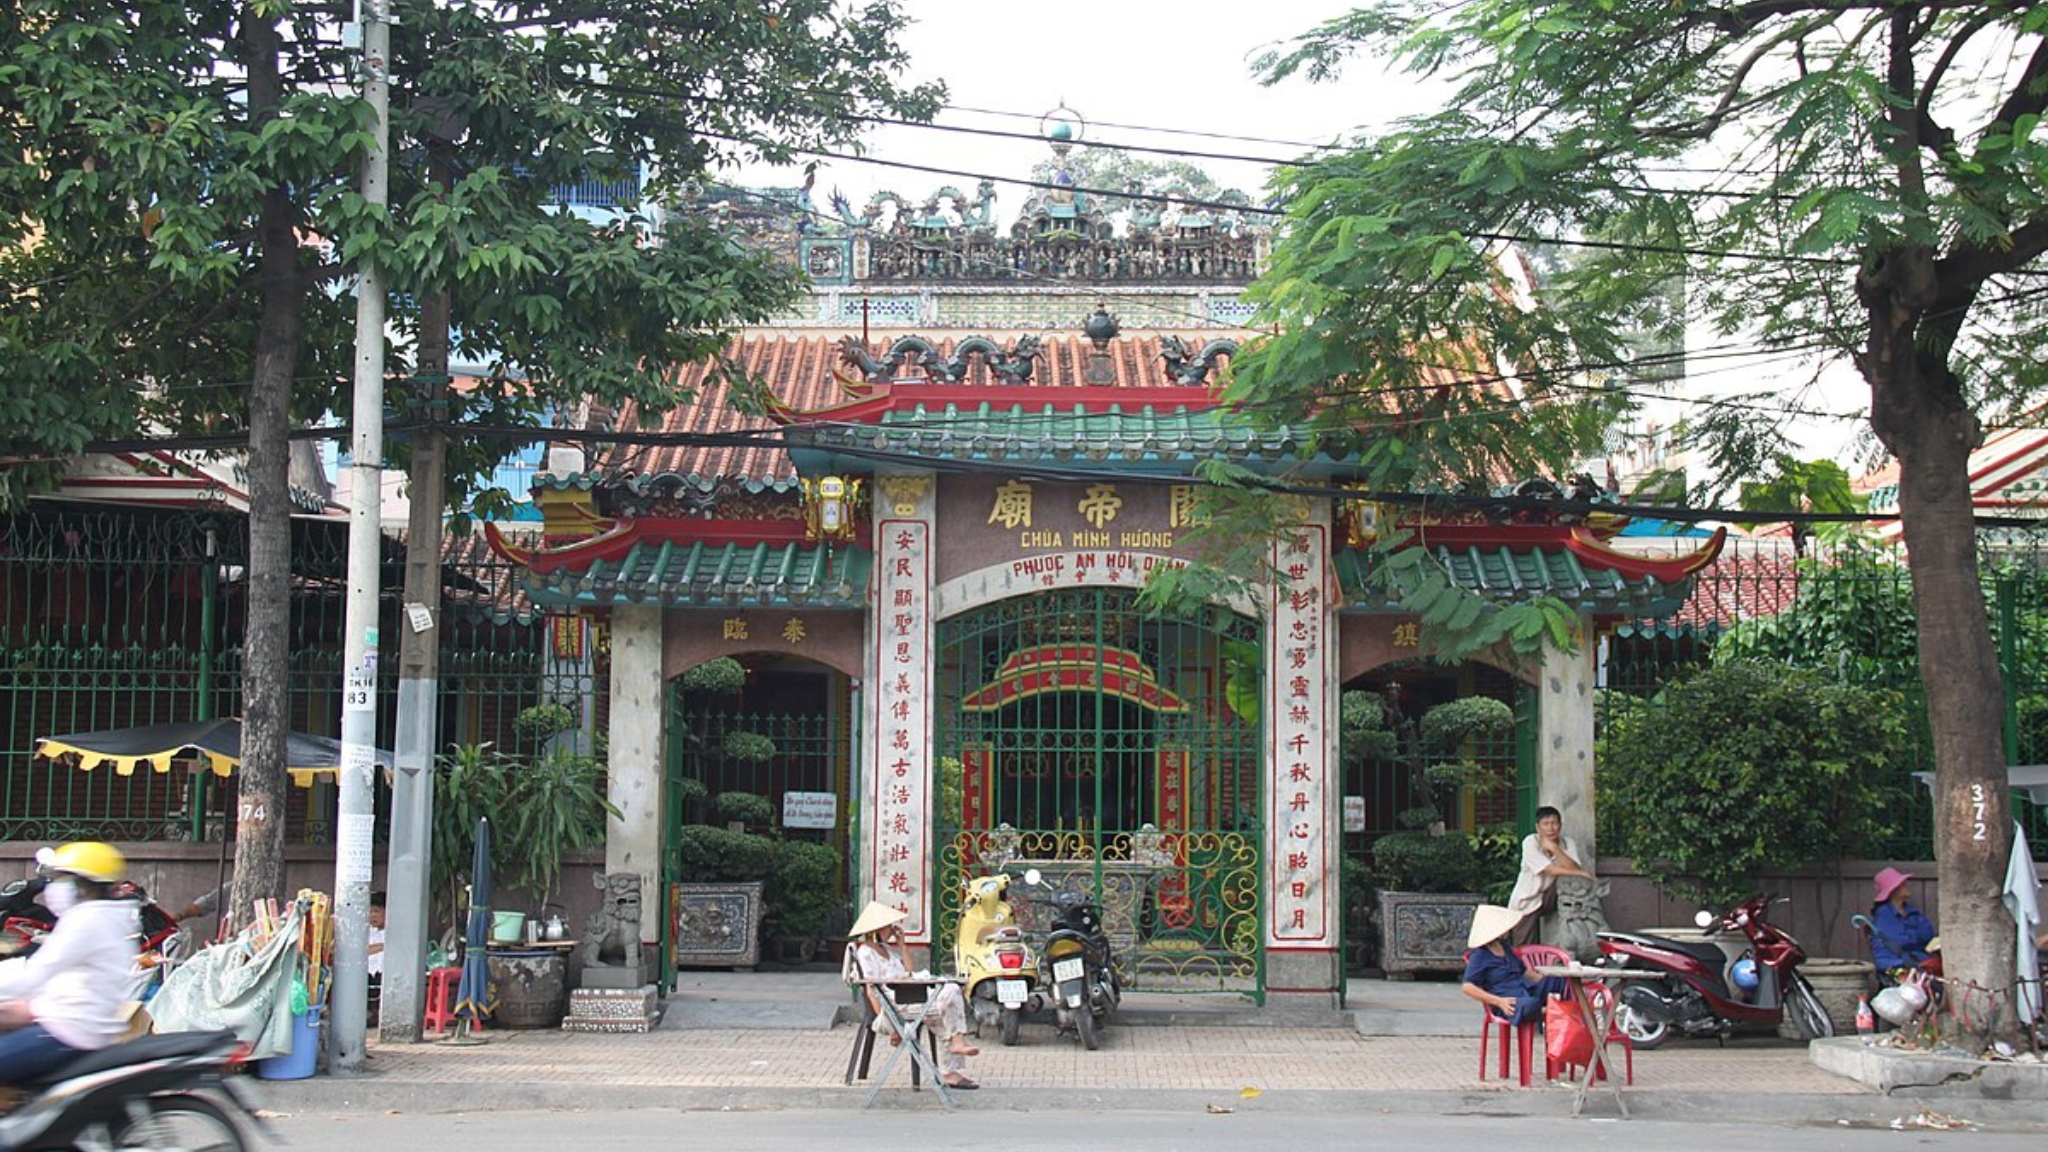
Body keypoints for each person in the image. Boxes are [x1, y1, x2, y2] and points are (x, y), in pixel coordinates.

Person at [0, 842, 140, 1082]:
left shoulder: (85, 920)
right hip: (79, 1022)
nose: (54, 887)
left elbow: (34, 976)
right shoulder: (111, 918)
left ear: (84, 885)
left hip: (65, 1033)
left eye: (62, 879)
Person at [848, 901, 979, 1090]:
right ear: (875, 929)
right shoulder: (866, 952)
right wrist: (889, 1023)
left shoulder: (888, 952)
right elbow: (871, 988)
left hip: (911, 999)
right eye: (888, 927)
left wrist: (902, 946)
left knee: (949, 998)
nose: (892, 930)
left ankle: (949, 1070)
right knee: (950, 992)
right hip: (894, 1005)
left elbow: (909, 972)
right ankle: (954, 1051)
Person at [1460, 903, 1569, 1025]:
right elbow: (1467, 987)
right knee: (1530, 1004)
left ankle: (1560, 1013)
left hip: (1525, 990)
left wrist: (1547, 982)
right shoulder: (1480, 955)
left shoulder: (1504, 947)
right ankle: (1552, 1011)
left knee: (1562, 983)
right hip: (1507, 1002)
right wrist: (1499, 1002)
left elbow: (1526, 972)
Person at [1505, 806, 1595, 941]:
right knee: (1524, 946)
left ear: (1560, 825)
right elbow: (1549, 869)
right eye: (1546, 824)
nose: (1551, 828)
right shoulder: (1531, 842)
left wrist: (1555, 849)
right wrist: (1579, 872)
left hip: (1551, 896)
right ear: (1538, 827)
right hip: (1527, 899)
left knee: (1571, 880)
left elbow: (1573, 868)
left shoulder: (1567, 843)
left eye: (1554, 823)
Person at [1870, 866, 1940, 977]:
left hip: (1916, 961)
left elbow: (1928, 933)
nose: (1907, 886)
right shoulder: (1883, 915)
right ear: (1893, 890)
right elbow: (1900, 941)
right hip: (1894, 964)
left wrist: (1910, 934)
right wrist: (1916, 936)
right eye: (1902, 884)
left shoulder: (1912, 911)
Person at [367, 892, 387, 981]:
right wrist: (383, 946)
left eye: (376, 911)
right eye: (370, 912)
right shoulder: (366, 932)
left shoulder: (395, 932)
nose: (373, 915)